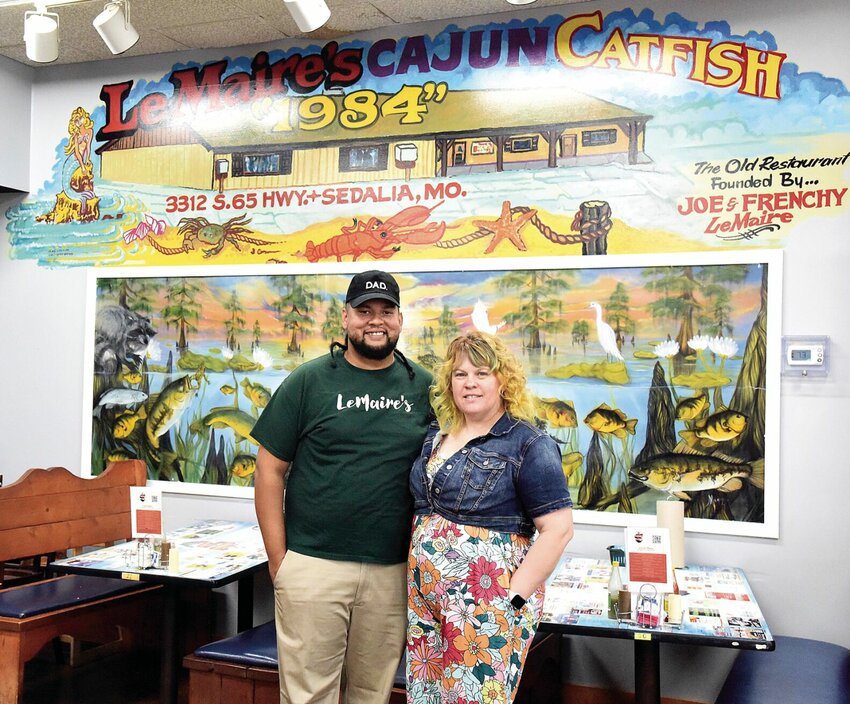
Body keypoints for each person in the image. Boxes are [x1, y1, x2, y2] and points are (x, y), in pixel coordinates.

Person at [252, 270, 433, 704]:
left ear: (400, 319)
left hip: (392, 571)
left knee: (371, 694)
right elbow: (268, 471)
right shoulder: (309, 381)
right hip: (313, 564)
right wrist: (280, 562)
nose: (375, 320)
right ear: (345, 318)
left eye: (386, 311)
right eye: (364, 311)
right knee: (308, 696)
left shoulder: (425, 387)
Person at [406, 331, 574, 704]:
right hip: (426, 602)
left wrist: (511, 600)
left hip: (486, 605)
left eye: (482, 373)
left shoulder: (529, 443)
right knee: (425, 696)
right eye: (461, 374)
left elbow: (558, 530)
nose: (470, 383)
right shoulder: (438, 434)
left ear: (503, 380)